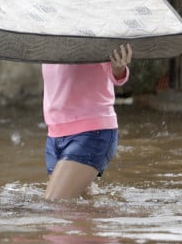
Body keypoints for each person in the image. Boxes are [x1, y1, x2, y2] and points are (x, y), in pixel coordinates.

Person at [41, 43, 133, 200]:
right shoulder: (49, 31)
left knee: (54, 205)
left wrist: (119, 68)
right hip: (54, 135)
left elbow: (115, 73)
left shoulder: (91, 28)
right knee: (78, 207)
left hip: (91, 132)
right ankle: (120, 219)